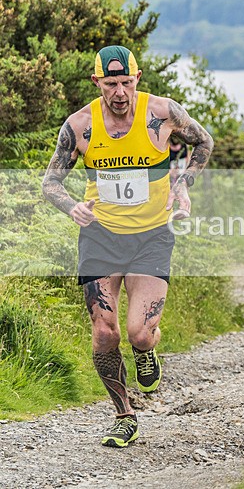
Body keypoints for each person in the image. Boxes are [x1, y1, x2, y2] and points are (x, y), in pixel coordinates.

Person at [42, 45, 214, 447]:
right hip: (100, 237)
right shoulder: (80, 125)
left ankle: (147, 350)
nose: (119, 92)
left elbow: (204, 142)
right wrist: (72, 207)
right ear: (96, 82)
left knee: (138, 332)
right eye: (110, 83)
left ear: (137, 78)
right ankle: (124, 416)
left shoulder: (162, 112)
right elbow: (50, 182)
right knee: (104, 332)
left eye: (126, 82)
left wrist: (182, 184)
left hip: (152, 236)